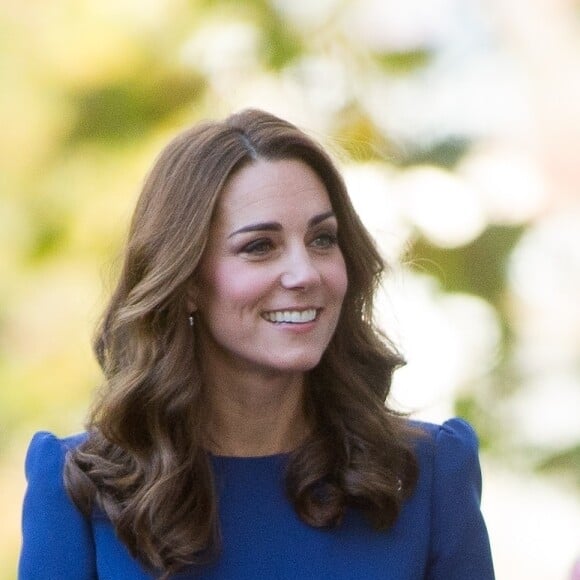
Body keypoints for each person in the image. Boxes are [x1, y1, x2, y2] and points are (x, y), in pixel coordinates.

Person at [19, 109, 495, 579]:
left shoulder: (427, 476)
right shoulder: (78, 491)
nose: (305, 273)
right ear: (186, 282)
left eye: (323, 239)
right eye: (260, 246)